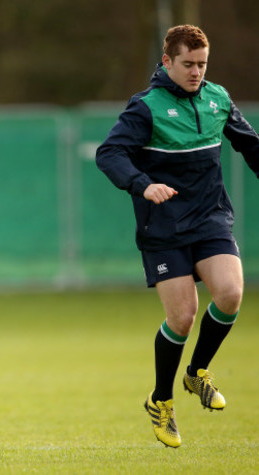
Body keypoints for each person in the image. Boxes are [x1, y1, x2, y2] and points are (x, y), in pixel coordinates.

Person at [96, 25, 259, 448]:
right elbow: (109, 153)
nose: (196, 72)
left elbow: (251, 146)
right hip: (164, 227)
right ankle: (161, 400)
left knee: (229, 295)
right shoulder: (146, 107)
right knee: (183, 317)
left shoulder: (218, 98)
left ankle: (196, 372)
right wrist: (141, 183)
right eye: (188, 64)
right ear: (167, 61)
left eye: (203, 64)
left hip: (210, 219)